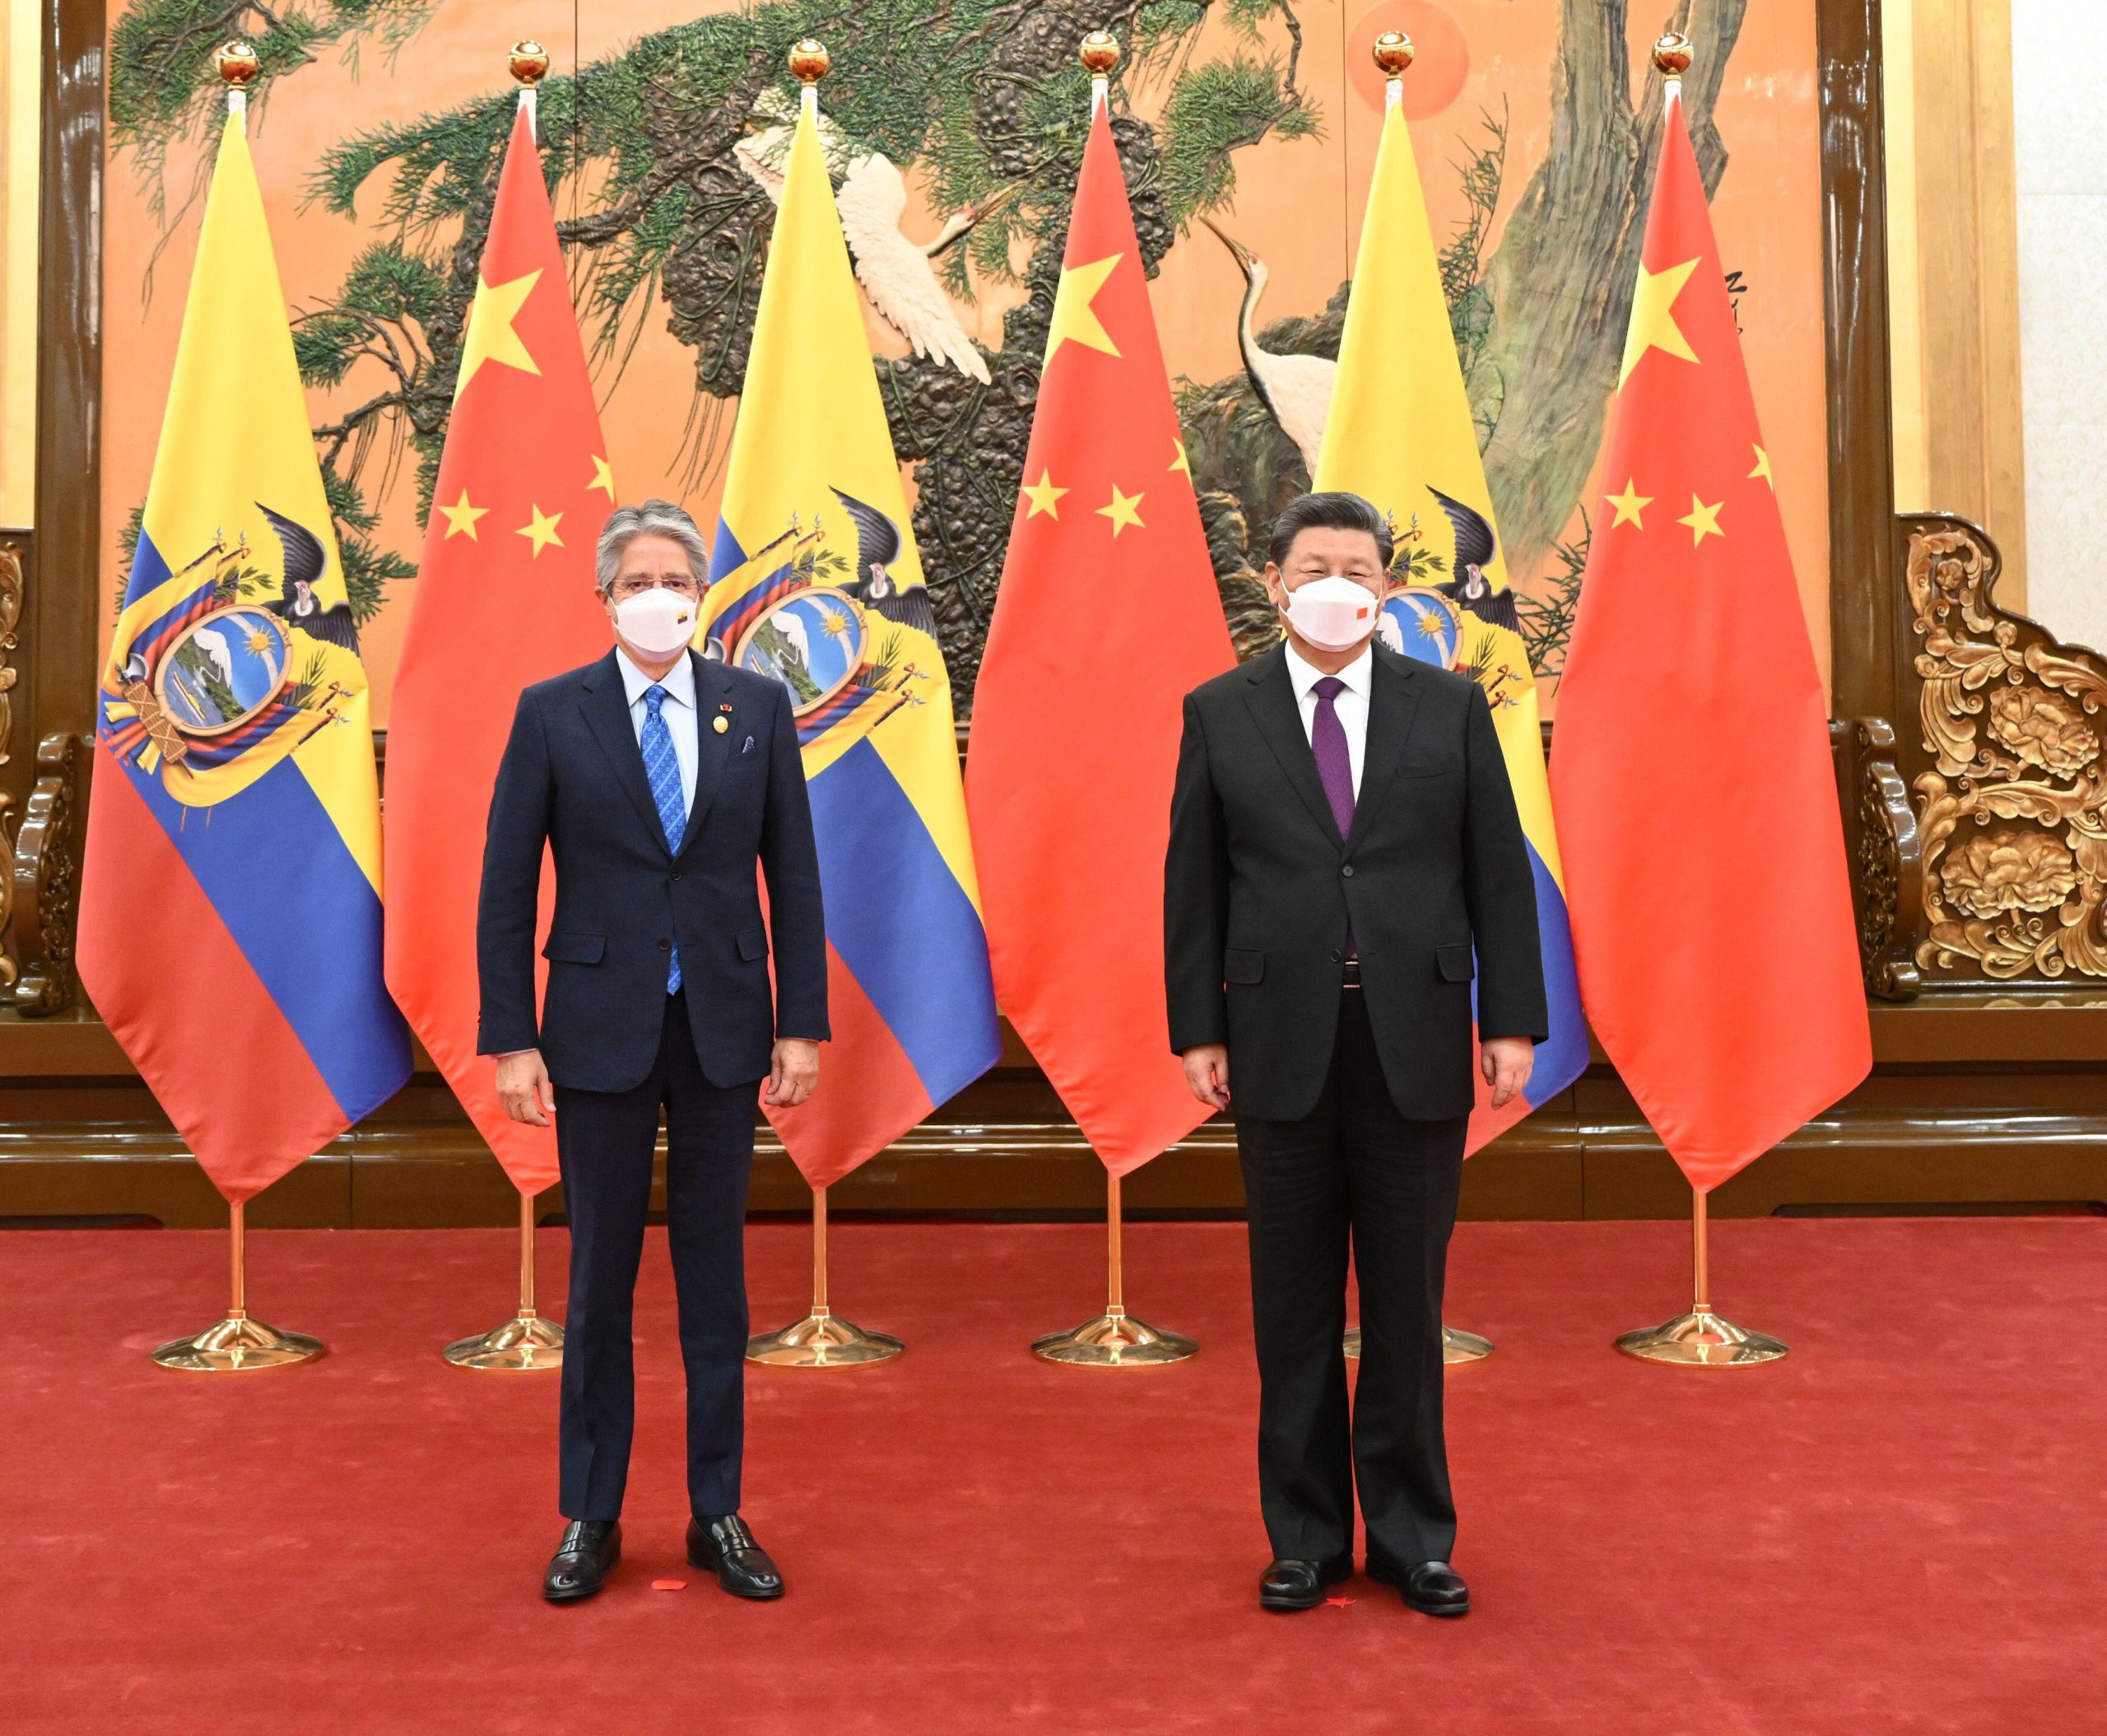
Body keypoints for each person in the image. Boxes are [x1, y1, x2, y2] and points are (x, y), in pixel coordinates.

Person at [1165, 491, 1547, 1618]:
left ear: (1386, 587)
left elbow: (1497, 874)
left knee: (1404, 1305)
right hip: (1277, 1041)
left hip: (1414, 1039)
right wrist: (1198, 1027)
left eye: (1362, 567)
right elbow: (1193, 885)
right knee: (1290, 1309)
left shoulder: (1451, 705)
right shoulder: (1220, 710)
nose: (1340, 583)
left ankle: (1412, 1534)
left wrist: (1511, 1019)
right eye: (1316, 564)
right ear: (1274, 582)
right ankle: (1306, 1536)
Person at [477, 499, 828, 1604]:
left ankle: (717, 1508)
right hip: (594, 1030)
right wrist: (510, 1039)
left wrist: (801, 1020)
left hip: (725, 1027)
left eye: (678, 576)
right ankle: (591, 1513)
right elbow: (502, 887)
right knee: (600, 1284)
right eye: (638, 579)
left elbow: (798, 875)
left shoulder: (757, 706)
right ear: (605, 597)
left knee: (716, 1283)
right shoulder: (551, 712)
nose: (660, 595)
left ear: (702, 595)